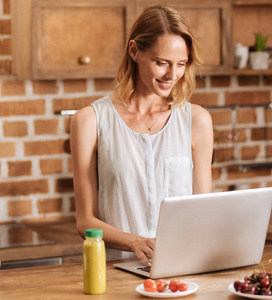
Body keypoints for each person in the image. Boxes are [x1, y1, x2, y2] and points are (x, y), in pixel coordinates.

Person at [70, 5, 213, 266]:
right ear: (134, 51)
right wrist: (135, 242)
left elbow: (201, 213)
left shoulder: (197, 120)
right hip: (116, 272)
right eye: (162, 63)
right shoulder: (89, 121)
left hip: (180, 271)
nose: (172, 75)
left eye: (181, 64)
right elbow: (85, 222)